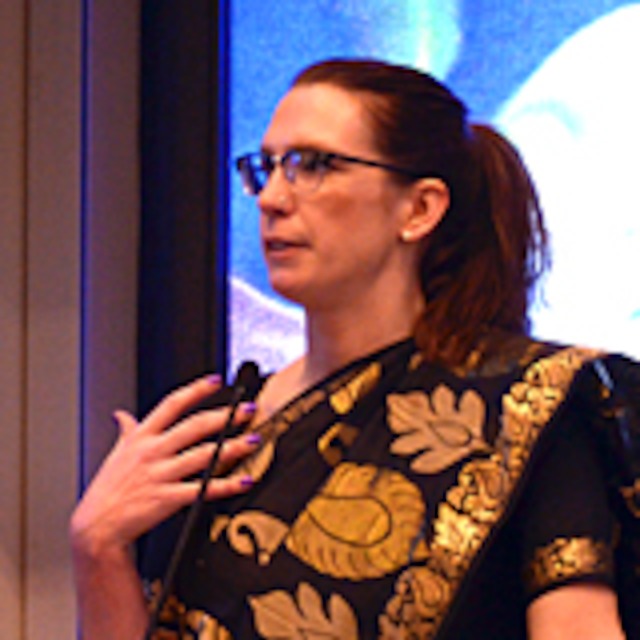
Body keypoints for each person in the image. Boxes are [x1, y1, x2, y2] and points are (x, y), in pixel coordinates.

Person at [70, 58, 639, 639]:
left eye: (314, 166)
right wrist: (98, 546)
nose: (272, 199)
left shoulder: (528, 409)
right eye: (267, 168)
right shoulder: (220, 433)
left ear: (419, 209)